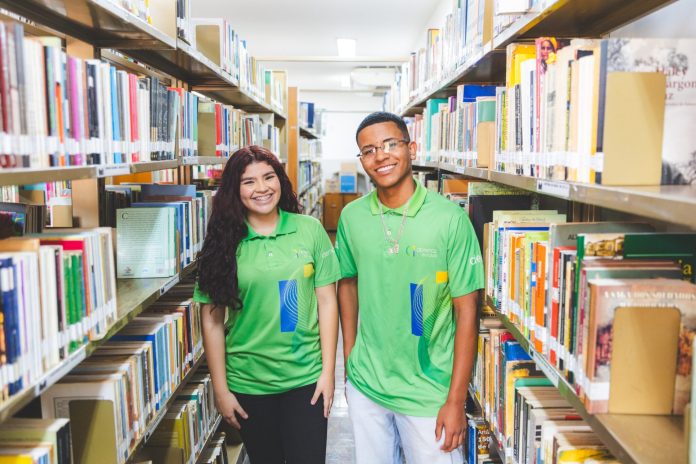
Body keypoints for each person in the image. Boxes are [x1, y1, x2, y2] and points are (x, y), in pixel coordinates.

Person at [336, 112, 484, 463]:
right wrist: (351, 358)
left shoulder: (450, 219)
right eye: (369, 150)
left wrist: (455, 400)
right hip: (367, 385)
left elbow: (467, 311)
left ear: (411, 148)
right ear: (362, 160)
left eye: (390, 144)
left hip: (429, 391)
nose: (380, 156)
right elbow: (347, 283)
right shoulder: (351, 217)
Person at [194, 145, 340, 464]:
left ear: (280, 180)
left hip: (306, 379)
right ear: (234, 190)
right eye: (249, 181)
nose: (262, 188)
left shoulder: (309, 230)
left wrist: (328, 372)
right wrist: (221, 390)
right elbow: (212, 320)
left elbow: (327, 302)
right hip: (248, 383)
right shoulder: (223, 242)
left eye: (268, 177)